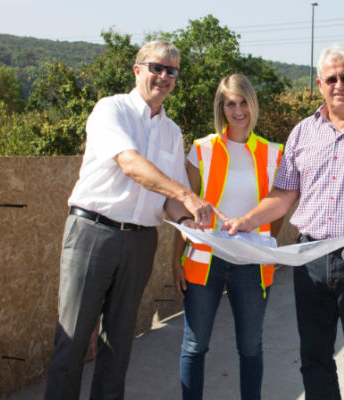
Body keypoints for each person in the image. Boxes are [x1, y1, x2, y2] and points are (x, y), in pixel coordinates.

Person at [224, 44, 344, 399]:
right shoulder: (302, 132)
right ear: (319, 84)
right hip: (309, 258)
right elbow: (282, 195)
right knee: (313, 358)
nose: (339, 85)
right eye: (331, 79)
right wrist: (245, 221)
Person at [44, 40, 220, 400]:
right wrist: (187, 195)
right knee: (73, 340)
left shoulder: (171, 131)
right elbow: (130, 164)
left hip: (141, 241)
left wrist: (189, 221)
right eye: (157, 67)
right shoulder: (112, 110)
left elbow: (171, 200)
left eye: (172, 71)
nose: (164, 76)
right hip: (94, 232)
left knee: (119, 344)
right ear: (137, 70)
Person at [172, 73, 283, 400]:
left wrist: (262, 246)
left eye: (243, 101)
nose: (237, 110)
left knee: (251, 348)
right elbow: (184, 204)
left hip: (251, 263)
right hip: (204, 261)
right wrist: (174, 261)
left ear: (253, 103)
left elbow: (277, 211)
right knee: (194, 345)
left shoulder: (273, 153)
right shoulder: (201, 149)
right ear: (221, 108)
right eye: (230, 103)